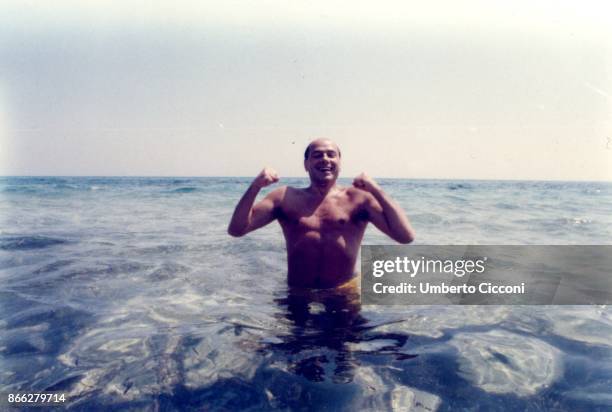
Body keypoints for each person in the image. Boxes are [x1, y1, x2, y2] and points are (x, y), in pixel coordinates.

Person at [228, 138, 415, 289]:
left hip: (342, 290)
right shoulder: (284, 197)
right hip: (297, 292)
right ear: (306, 164)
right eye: (317, 155)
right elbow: (236, 230)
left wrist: (375, 189)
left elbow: (405, 236)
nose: (325, 159)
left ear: (339, 163)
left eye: (331, 155)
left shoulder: (358, 199)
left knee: (347, 336)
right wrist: (255, 186)